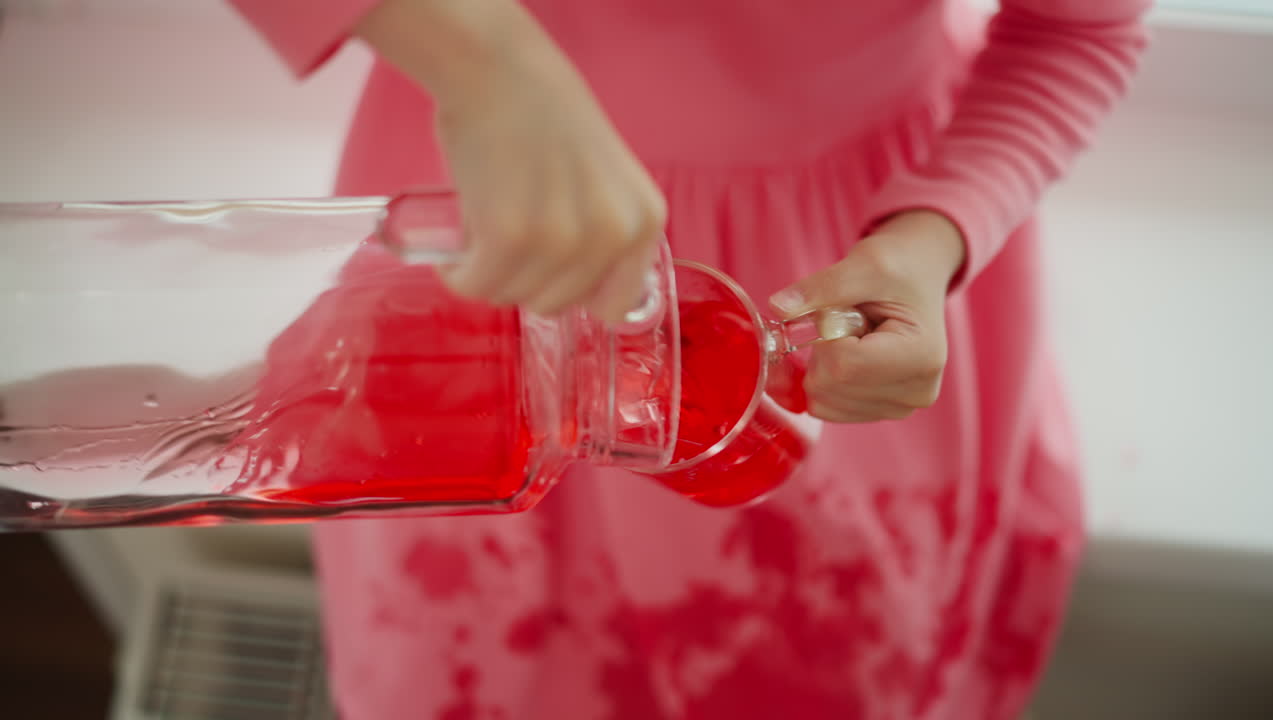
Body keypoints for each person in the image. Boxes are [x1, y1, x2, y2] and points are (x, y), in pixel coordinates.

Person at [229, 1, 1151, 718]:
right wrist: (491, 67)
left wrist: (932, 235)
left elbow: (1077, 30)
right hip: (494, 227)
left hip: (847, 248)